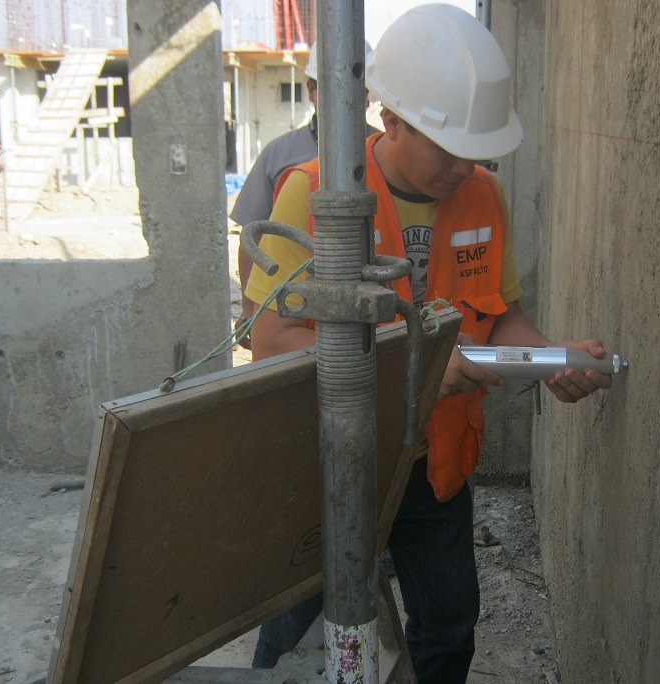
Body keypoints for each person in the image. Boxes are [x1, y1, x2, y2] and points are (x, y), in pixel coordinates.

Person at [246, 5, 613, 682]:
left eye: (478, 149)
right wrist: (414, 370)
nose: (464, 166)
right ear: (391, 120)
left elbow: (501, 318)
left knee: (448, 625)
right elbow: (270, 342)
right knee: (296, 634)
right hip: (332, 460)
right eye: (449, 147)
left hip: (436, 460)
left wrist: (549, 358)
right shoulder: (311, 197)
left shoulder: (485, 198)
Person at [229, 41, 372, 347]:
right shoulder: (279, 155)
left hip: (366, 315)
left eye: (357, 88)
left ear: (368, 96)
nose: (345, 98)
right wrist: (251, 310)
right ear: (311, 90)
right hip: (295, 320)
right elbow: (252, 240)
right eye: (331, 88)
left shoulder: (383, 155)